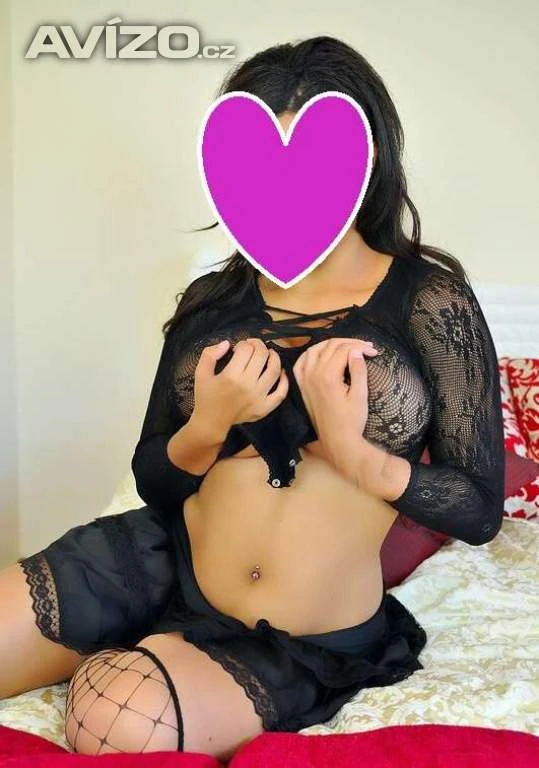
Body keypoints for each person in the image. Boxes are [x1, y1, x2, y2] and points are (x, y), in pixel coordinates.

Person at [0, 35, 504, 761]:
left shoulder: (429, 298)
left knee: (112, 718)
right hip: (156, 558)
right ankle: (135, 637)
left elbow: (479, 509)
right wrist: (208, 424)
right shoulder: (213, 299)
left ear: (368, 162)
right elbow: (155, 478)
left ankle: (149, 661)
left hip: (302, 630)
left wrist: (355, 454)